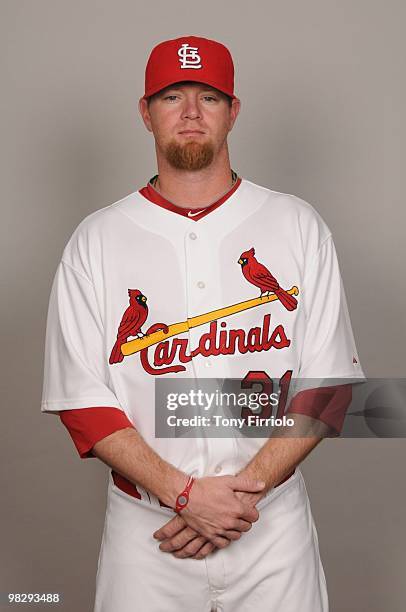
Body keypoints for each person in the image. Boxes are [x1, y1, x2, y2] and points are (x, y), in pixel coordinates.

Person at [41, 35, 365, 612]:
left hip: (270, 526)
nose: (190, 112)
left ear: (233, 111)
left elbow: (328, 387)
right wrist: (183, 494)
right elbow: (81, 401)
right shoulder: (97, 239)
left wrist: (235, 499)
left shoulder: (296, 224)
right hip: (149, 533)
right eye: (172, 96)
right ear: (146, 112)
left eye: (209, 97)